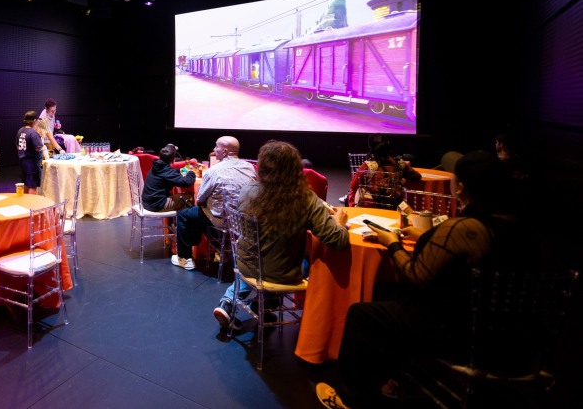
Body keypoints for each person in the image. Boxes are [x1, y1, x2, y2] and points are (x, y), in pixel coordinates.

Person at [315, 150, 539, 409]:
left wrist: (392, 244)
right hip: (514, 339)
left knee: (362, 313)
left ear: (461, 188)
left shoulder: (464, 229)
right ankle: (389, 377)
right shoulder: (523, 230)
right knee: (391, 301)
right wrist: (425, 239)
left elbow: (416, 276)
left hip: (460, 335)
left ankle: (349, 396)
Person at [214, 141, 349, 330]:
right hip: (281, 273)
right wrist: (339, 223)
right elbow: (339, 240)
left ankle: (232, 300)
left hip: (244, 264)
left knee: (264, 255)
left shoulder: (247, 191)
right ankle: (265, 305)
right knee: (309, 259)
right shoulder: (304, 198)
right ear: (295, 168)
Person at [172, 136, 257, 270]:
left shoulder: (214, 171)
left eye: (216, 146)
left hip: (220, 220)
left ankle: (185, 258)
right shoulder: (250, 169)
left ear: (224, 151)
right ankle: (219, 250)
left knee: (184, 214)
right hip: (243, 221)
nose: (214, 149)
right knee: (202, 213)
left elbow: (199, 199)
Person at [346, 133, 420, 209]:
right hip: (396, 206)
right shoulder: (400, 164)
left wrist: (352, 205)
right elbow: (417, 177)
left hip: (373, 207)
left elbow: (353, 185)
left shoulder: (368, 165)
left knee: (360, 189)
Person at [142, 143, 196, 212]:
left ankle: (174, 220)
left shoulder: (157, 165)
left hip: (147, 202)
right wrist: (191, 172)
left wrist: (178, 170)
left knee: (177, 196)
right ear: (173, 159)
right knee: (188, 197)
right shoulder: (165, 170)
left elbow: (167, 173)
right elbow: (186, 182)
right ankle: (182, 220)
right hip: (156, 205)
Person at [16, 111, 44, 194]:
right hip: (32, 162)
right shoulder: (33, 133)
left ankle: (24, 203)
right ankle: (31, 205)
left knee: (25, 183)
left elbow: (16, 145)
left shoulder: (20, 130)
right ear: (35, 120)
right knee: (32, 185)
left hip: (22, 161)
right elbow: (38, 147)